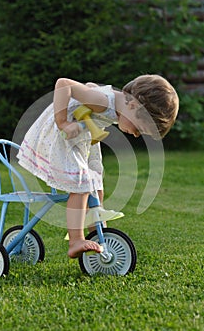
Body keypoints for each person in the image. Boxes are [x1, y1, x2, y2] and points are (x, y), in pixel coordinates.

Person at [17, 75, 179, 258]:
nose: (135, 135)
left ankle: (96, 228)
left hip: (81, 138)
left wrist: (89, 90)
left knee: (96, 179)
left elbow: (90, 88)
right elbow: (63, 84)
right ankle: (75, 240)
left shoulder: (117, 104)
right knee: (82, 184)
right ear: (133, 105)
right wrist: (63, 122)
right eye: (139, 129)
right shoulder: (104, 102)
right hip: (61, 137)